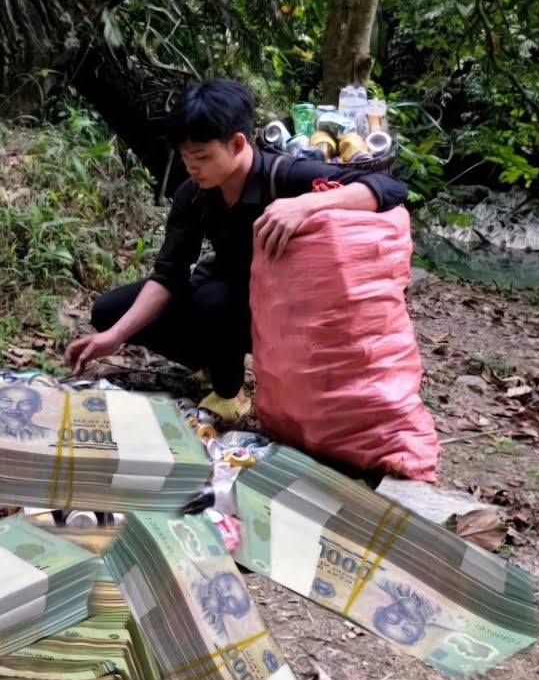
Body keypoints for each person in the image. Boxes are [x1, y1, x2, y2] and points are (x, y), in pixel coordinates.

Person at [65, 78, 408, 424]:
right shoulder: (193, 193)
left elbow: (389, 187)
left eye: (202, 157)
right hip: (225, 299)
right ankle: (213, 363)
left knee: (215, 297)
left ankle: (230, 393)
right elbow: (168, 276)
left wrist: (307, 204)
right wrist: (115, 337)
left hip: (288, 316)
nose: (192, 167)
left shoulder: (282, 175)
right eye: (185, 157)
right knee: (111, 310)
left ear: (237, 143)